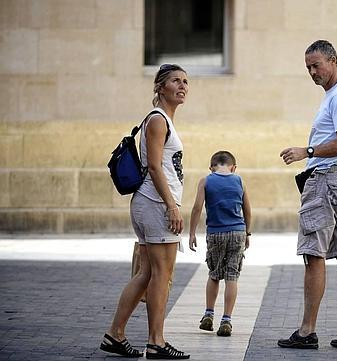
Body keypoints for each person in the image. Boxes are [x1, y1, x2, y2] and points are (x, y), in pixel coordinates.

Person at [277, 40, 337, 350]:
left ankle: (307, 331)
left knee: (313, 255)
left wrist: (307, 151)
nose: (313, 72)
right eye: (308, 68)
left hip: (328, 180)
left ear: (333, 60)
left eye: (317, 65)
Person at [100, 64, 190, 359]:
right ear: (160, 87)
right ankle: (156, 341)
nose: (182, 86)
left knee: (148, 273)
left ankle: (116, 335)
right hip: (154, 204)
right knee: (160, 275)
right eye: (175, 80)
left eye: (185, 82)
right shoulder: (157, 120)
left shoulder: (164, 120)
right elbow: (153, 167)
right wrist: (172, 206)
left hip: (153, 203)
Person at [188, 151, 252, 337]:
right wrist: (247, 233)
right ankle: (226, 320)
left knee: (214, 274)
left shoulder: (206, 181)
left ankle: (208, 315)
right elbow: (247, 210)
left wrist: (192, 233)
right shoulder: (239, 181)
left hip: (215, 233)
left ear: (211, 167)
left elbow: (197, 208)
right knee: (232, 276)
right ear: (233, 167)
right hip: (237, 232)